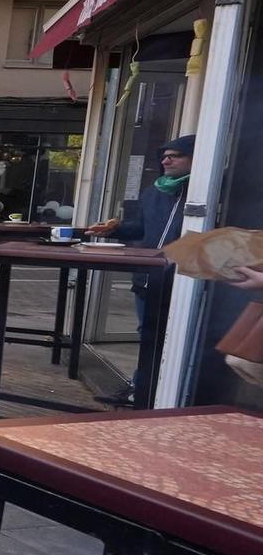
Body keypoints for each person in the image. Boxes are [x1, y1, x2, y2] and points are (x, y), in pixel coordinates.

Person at [87, 133, 194, 404]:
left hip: (185, 279)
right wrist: (115, 228)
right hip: (148, 276)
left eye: (175, 155)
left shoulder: (207, 191)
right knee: (147, 333)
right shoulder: (154, 190)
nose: (166, 160)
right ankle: (141, 389)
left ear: (196, 158)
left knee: (177, 336)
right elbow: (142, 229)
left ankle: (170, 392)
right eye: (164, 155)